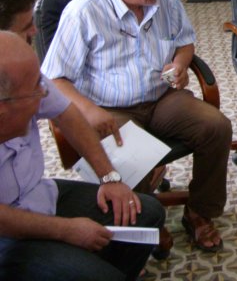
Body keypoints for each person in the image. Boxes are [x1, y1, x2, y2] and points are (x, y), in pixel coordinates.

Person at [41, 0, 232, 252]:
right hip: (110, 108)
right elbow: (54, 78)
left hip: (162, 97)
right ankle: (148, 221)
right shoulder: (83, 13)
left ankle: (200, 211)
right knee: (129, 153)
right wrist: (90, 111)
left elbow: (185, 41)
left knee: (216, 127)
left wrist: (180, 64)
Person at [0, 31, 165, 281]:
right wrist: (66, 230)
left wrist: (109, 178)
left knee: (146, 213)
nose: (44, 92)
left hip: (37, 195)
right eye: (36, 89)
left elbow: (67, 114)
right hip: (7, 239)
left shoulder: (24, 85)